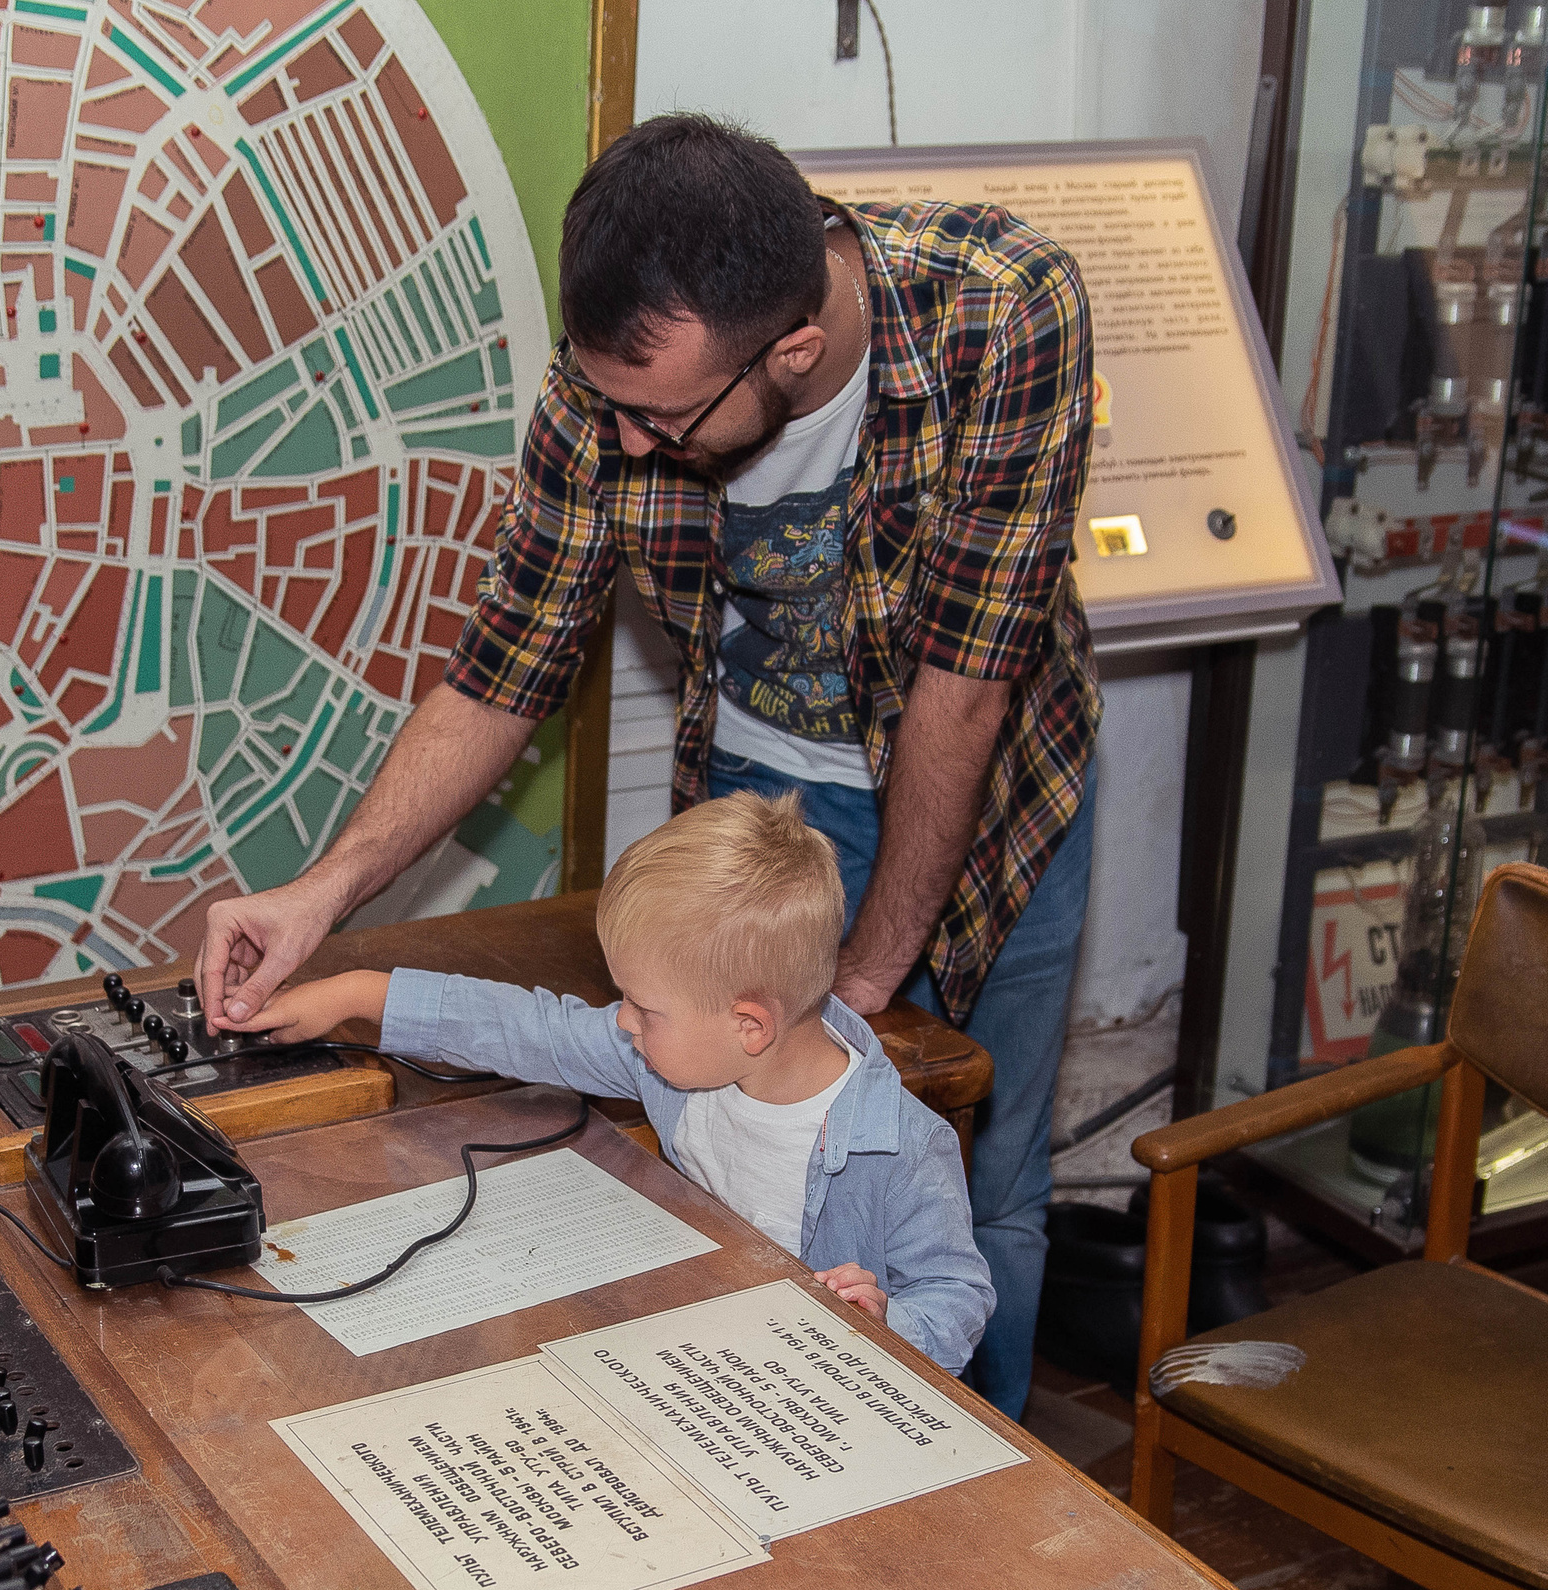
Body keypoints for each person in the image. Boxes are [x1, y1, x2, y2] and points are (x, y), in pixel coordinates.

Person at [198, 114, 1097, 1420]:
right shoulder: (611, 389)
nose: (620, 444)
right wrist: (321, 897)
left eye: (661, 418)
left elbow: (964, 693)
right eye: (607, 405)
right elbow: (505, 665)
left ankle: (984, 1496)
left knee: (977, 1171)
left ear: (792, 350)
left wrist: (849, 1000)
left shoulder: (1005, 315)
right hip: (751, 819)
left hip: (993, 800)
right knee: (741, 1163)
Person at [228, 792, 994, 1372]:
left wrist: (889, 1323)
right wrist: (360, 994)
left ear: (749, 1025)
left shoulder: (902, 1146)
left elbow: (958, 1296)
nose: (622, 1022)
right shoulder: (674, 1052)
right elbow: (526, 1026)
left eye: (643, 1005)